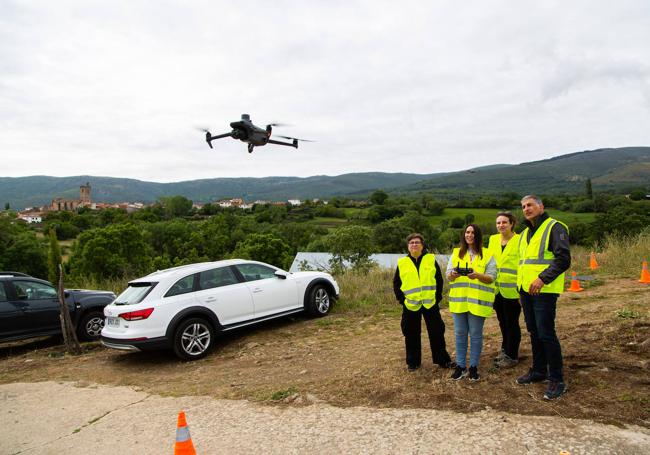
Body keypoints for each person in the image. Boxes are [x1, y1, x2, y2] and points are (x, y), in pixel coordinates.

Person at [516, 195, 570, 400]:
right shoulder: (524, 234)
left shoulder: (554, 227)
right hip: (526, 291)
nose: (526, 209)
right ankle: (539, 371)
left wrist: (542, 279)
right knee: (533, 331)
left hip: (544, 290)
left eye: (530, 205)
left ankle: (557, 379)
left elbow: (563, 259)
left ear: (541, 206)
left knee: (546, 332)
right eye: (523, 206)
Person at [393, 233, 455, 372]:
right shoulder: (402, 263)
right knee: (411, 333)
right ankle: (413, 362)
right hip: (410, 304)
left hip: (430, 303)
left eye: (417, 242)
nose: (414, 245)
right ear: (408, 246)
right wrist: (402, 299)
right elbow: (396, 283)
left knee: (437, 332)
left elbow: (439, 280)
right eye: (411, 243)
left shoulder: (430, 259)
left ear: (422, 245)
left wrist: (437, 297)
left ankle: (442, 360)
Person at [446, 224, 496, 381]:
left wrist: (478, 276)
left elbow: (492, 277)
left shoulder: (488, 254)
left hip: (477, 302)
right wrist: (453, 274)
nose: (470, 235)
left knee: (475, 335)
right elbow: (448, 275)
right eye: (467, 232)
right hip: (459, 302)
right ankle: (461, 366)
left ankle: (473, 366)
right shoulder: (456, 253)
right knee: (460, 334)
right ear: (464, 235)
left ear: (478, 235)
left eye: (473, 232)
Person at [487, 211, 521, 368]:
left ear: (512, 223)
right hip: (496, 290)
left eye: (504, 222)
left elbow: (523, 265)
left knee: (512, 322)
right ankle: (505, 348)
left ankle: (512, 355)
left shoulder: (520, 240)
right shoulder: (493, 239)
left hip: (513, 290)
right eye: (498, 223)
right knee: (502, 321)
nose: (501, 225)